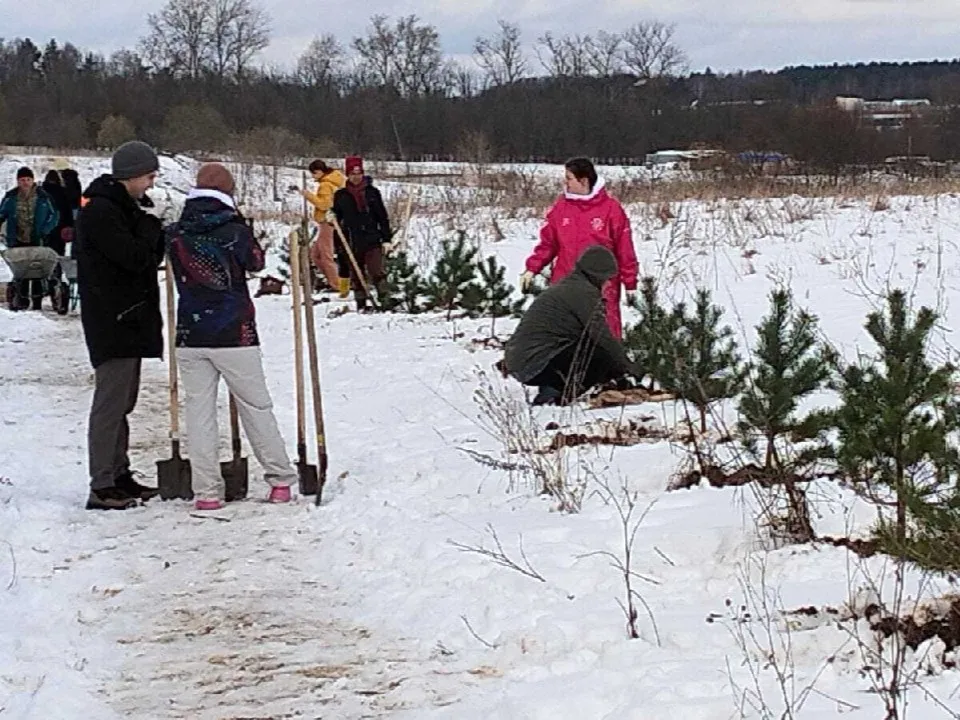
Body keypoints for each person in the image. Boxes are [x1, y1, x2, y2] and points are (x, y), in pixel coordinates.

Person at [166, 162, 298, 511]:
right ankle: (280, 480)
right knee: (256, 406)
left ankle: (207, 491)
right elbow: (255, 262)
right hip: (235, 332)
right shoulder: (235, 230)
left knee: (199, 413)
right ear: (227, 193)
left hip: (191, 333)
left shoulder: (176, 231)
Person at [76, 141, 165, 510]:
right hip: (112, 319)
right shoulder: (102, 212)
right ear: (130, 175)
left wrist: (147, 222)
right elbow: (134, 257)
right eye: (148, 176)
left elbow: (145, 254)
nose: (152, 183)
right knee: (110, 404)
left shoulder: (123, 208)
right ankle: (101, 483)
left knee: (123, 402)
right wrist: (150, 224)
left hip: (127, 318)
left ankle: (119, 472)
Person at [504, 246, 640, 406]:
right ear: (597, 276)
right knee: (598, 356)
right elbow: (601, 336)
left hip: (525, 361)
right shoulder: (582, 292)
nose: (607, 283)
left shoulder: (571, 286)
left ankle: (554, 387)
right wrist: (628, 366)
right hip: (534, 363)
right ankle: (555, 393)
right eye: (606, 278)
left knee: (594, 352)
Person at [521, 157, 639, 339]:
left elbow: (624, 249)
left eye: (569, 178)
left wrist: (630, 282)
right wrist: (532, 269)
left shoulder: (611, 209)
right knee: (564, 331)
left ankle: (606, 366)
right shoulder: (561, 207)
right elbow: (548, 243)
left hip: (601, 286)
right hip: (565, 282)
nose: (564, 182)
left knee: (603, 334)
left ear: (583, 180)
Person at [331, 155, 392, 312]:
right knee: (356, 275)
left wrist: (386, 238)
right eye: (352, 173)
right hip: (352, 240)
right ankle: (361, 304)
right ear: (348, 175)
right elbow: (337, 219)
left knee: (376, 271)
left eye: (358, 173)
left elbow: (382, 216)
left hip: (372, 239)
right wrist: (331, 219)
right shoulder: (341, 196)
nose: (356, 177)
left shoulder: (372, 193)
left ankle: (385, 301)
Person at [0, 166, 59, 310]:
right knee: (21, 269)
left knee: (38, 269)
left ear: (33, 180)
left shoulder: (43, 197)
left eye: (28, 179)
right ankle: (21, 297)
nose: (25, 183)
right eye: (22, 180)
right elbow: (2, 214)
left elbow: (54, 215)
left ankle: (37, 298)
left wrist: (46, 229)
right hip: (18, 237)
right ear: (18, 181)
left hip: (38, 237)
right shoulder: (10, 197)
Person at [301, 159, 346, 294]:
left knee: (325, 255)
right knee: (316, 254)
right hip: (329, 221)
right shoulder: (336, 181)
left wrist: (308, 196)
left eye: (314, 174)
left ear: (319, 172)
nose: (313, 177)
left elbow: (324, 204)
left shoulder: (326, 185)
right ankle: (332, 280)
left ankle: (336, 284)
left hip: (327, 222)